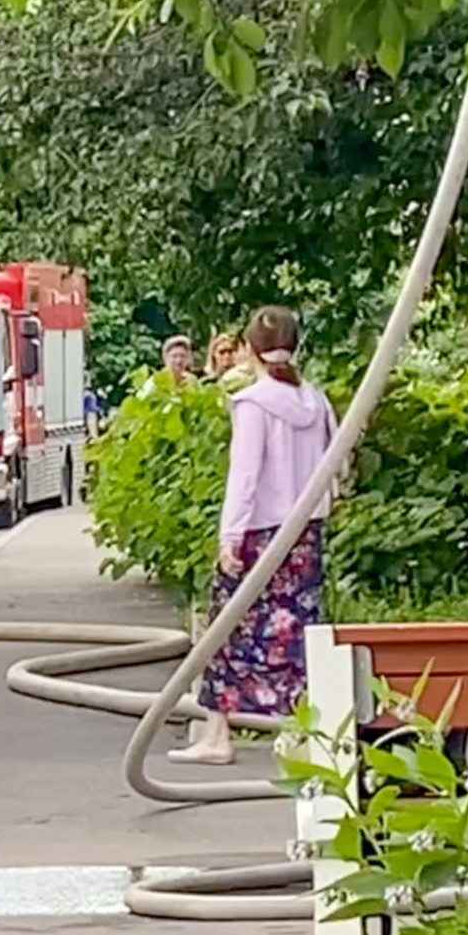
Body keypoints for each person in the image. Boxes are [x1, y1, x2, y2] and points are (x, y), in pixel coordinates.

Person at [170, 304, 336, 766]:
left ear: (250, 350)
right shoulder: (316, 401)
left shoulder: (254, 404)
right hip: (304, 533)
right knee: (299, 632)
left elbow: (244, 477)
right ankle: (308, 734)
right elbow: (335, 464)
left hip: (260, 534)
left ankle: (217, 735)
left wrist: (230, 537)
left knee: (227, 628)